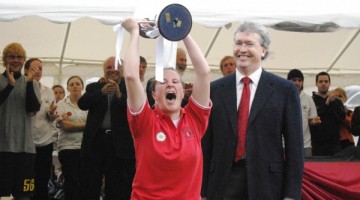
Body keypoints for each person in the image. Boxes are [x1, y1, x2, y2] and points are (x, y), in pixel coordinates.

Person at [201, 21, 304, 200]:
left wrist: (291, 195)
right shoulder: (215, 90)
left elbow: (295, 147)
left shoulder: (284, 90)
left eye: (249, 44)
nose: (242, 49)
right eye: (238, 43)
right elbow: (205, 144)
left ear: (263, 50)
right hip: (222, 183)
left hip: (268, 184)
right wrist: (201, 192)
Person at [122, 17, 211, 199]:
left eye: (175, 81)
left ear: (183, 90)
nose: (170, 84)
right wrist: (133, 33)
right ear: (154, 94)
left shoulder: (195, 119)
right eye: (163, 82)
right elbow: (131, 76)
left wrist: (184, 33)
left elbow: (204, 72)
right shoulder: (145, 121)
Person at [78, 56, 135, 200]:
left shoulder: (129, 87)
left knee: (116, 185)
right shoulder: (94, 86)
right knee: (90, 183)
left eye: (115, 67)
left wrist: (119, 95)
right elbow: (82, 104)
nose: (112, 70)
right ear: (104, 70)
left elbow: (134, 110)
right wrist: (101, 92)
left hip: (118, 144)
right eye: (108, 68)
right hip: (95, 142)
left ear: (122, 69)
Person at [0, 43, 41, 200]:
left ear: (24, 60)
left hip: (25, 149)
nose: (15, 60)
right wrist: (10, 86)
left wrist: (29, 83)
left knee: (24, 194)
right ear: (5, 60)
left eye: (19, 57)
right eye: (11, 56)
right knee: (2, 194)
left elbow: (32, 108)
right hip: (2, 148)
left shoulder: (32, 83)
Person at [24, 58, 58, 200]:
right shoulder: (22, 88)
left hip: (45, 142)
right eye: (34, 68)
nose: (38, 71)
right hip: (26, 142)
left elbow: (50, 116)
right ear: (26, 71)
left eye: (41, 69)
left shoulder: (48, 91)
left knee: (43, 179)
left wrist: (51, 114)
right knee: (26, 180)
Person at [55, 76, 87, 200]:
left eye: (77, 84)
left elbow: (93, 125)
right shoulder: (61, 104)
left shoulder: (88, 104)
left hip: (85, 148)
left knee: (85, 181)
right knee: (71, 181)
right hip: (67, 148)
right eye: (72, 84)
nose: (75, 86)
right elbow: (65, 126)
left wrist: (73, 125)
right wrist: (86, 125)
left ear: (82, 87)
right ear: (67, 88)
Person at [310, 72, 346, 156]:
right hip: (317, 145)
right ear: (316, 83)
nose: (323, 84)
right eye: (321, 81)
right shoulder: (311, 100)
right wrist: (327, 103)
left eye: (326, 81)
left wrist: (334, 102)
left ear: (329, 83)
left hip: (334, 145)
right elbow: (314, 116)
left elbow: (342, 118)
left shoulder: (337, 101)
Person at [287, 69, 321, 157]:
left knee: (306, 169)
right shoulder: (282, 98)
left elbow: (313, 119)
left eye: (299, 80)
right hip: (285, 143)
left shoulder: (308, 99)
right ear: (288, 81)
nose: (297, 83)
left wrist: (313, 122)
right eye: (294, 80)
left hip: (305, 144)